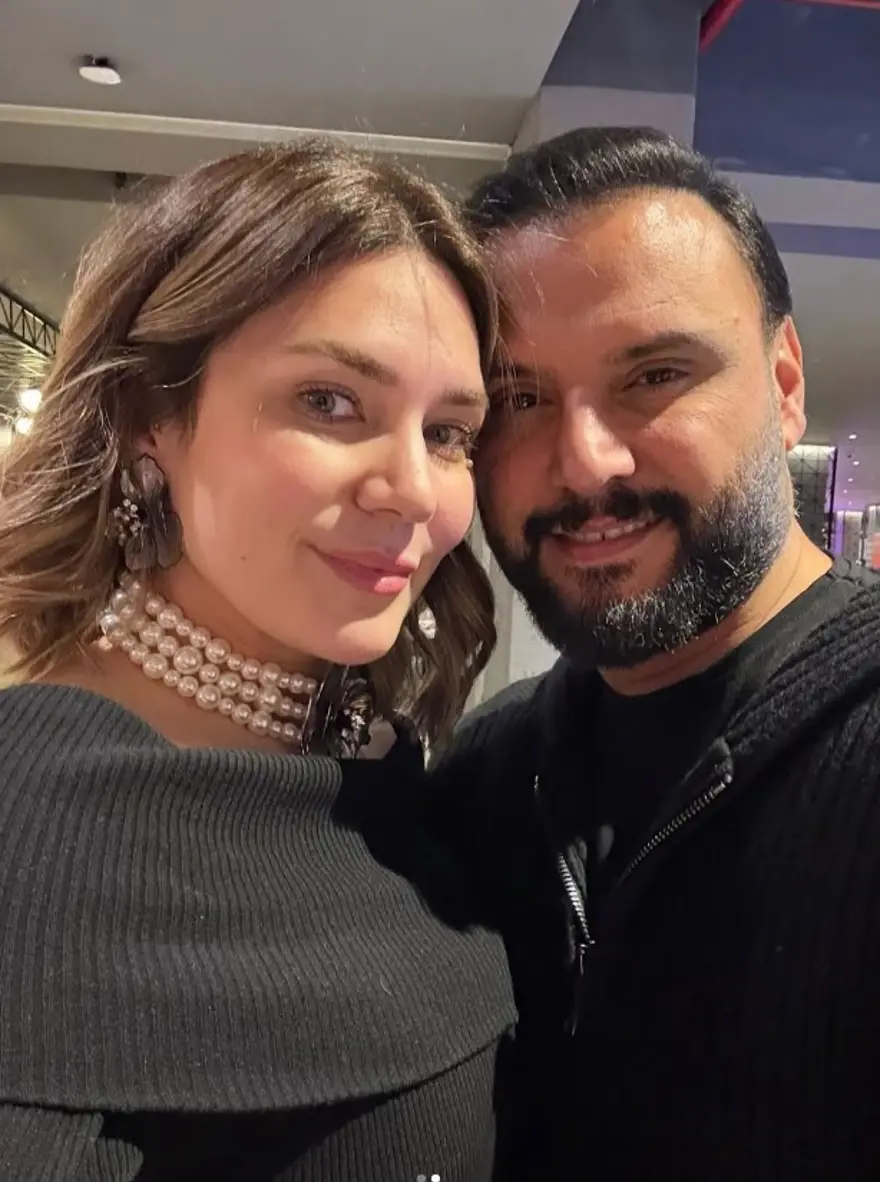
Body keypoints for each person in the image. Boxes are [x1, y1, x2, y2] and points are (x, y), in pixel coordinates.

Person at [0, 140, 519, 1181]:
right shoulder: (31, 812)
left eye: (449, 431)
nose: (413, 489)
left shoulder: (399, 771)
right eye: (330, 401)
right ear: (149, 418)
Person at [430, 126, 880, 1181]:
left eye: (654, 374)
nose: (586, 463)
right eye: (520, 399)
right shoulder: (483, 780)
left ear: (783, 385)